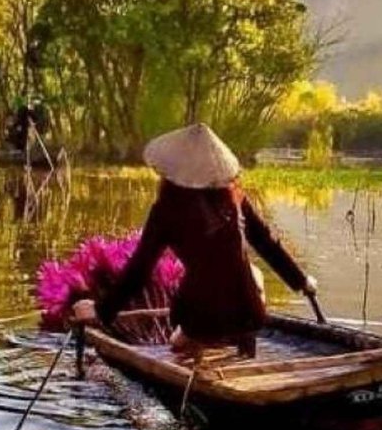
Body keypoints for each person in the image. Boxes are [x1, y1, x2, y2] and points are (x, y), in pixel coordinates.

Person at [71, 123, 318, 358]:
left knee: (177, 342)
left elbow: (140, 270)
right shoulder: (234, 199)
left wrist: (100, 311)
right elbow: (267, 243)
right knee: (250, 277)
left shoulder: (168, 208)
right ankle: (237, 347)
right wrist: (301, 281)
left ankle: (191, 344)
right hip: (250, 313)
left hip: (202, 318)